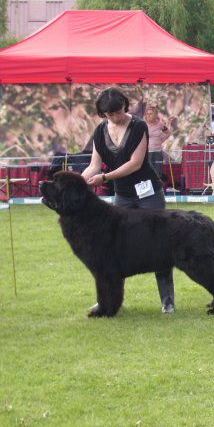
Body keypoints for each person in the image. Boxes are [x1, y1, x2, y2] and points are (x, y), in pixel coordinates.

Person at [81, 87, 175, 314]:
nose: (115, 117)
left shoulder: (139, 126)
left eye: (118, 111)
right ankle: (109, 301)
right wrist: (78, 182)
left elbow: (135, 163)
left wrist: (105, 177)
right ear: (102, 114)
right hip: (123, 196)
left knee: (159, 245)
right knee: (113, 249)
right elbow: (94, 165)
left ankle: (167, 300)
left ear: (125, 105)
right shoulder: (100, 131)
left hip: (148, 194)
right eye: (109, 114)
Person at [143, 105, 171, 184]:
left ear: (155, 115)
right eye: (147, 113)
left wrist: (161, 140)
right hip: (147, 153)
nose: (148, 115)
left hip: (157, 152)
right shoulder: (143, 124)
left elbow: (168, 132)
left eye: (151, 113)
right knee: (147, 172)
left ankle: (157, 190)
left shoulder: (160, 125)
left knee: (158, 172)